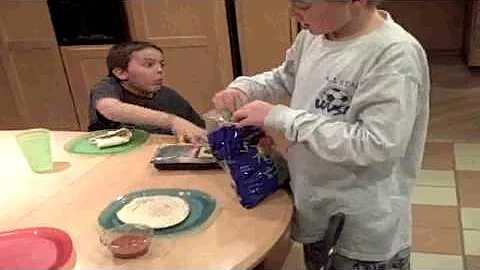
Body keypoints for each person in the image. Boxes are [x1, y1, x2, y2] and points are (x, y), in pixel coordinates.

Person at [213, 0, 429, 269]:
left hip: (363, 221)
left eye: (303, 3)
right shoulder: (312, 37)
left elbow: (377, 145)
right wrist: (245, 88)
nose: (293, 12)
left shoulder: (394, 54)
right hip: (316, 203)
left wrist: (282, 117)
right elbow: (285, 77)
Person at [89, 41, 205, 143]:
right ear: (121, 73)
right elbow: (109, 108)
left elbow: (201, 130)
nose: (160, 70)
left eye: (162, 65)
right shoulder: (109, 86)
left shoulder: (170, 97)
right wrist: (173, 121)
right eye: (149, 64)